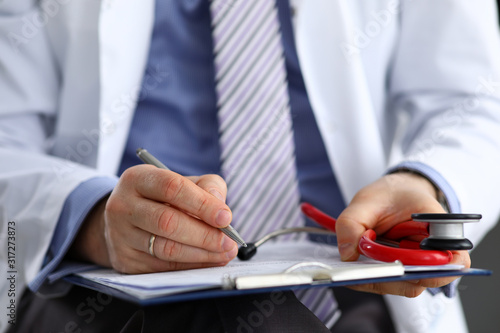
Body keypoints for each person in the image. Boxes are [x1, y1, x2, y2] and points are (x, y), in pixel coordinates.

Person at [1, 0, 500, 332]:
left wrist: (421, 183)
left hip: (357, 284)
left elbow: (477, 102)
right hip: (99, 290)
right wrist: (94, 221)